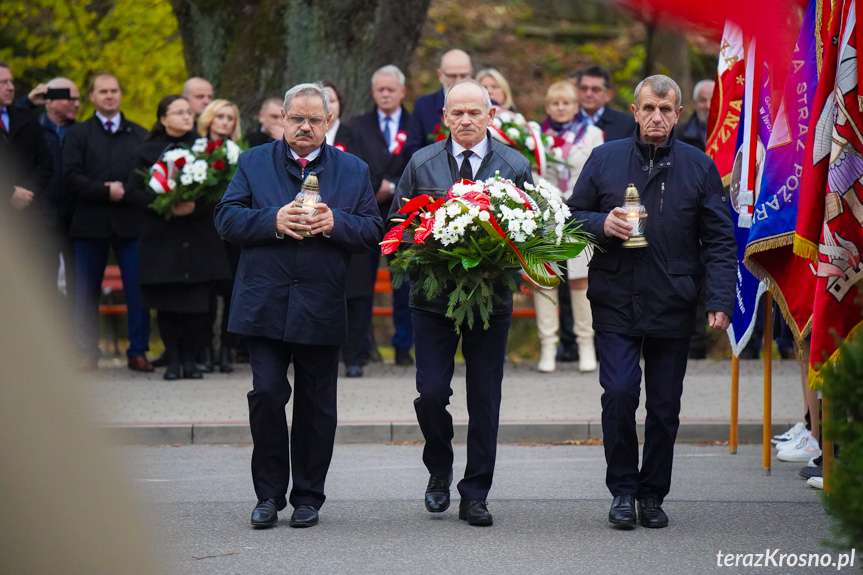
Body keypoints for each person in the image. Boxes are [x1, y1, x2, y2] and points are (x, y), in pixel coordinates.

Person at [567, 74, 736, 529]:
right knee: (619, 394)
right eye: (648, 109)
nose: (656, 117)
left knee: (664, 407)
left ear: (678, 114)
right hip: (616, 299)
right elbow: (572, 217)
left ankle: (652, 493)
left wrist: (719, 297)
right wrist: (603, 223)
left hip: (673, 301)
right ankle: (623, 490)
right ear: (635, 111)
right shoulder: (604, 159)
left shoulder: (699, 167)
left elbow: (719, 241)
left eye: (665, 110)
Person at [214, 82, 382, 529]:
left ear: (328, 122)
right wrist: (271, 219)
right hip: (263, 302)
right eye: (296, 118)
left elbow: (372, 232)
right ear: (281, 119)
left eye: (314, 119)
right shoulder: (252, 161)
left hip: (322, 303)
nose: (305, 127)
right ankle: (268, 495)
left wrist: (335, 222)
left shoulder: (353, 169)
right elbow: (226, 218)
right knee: (267, 394)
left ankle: (308, 496)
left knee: (316, 404)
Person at [389, 79, 532, 527]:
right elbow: (398, 226)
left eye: (475, 112)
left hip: (491, 300)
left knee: (484, 398)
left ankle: (475, 492)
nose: (466, 120)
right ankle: (439, 468)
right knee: (431, 393)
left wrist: (495, 260)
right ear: (445, 118)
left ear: (491, 115)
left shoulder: (513, 164)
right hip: (433, 300)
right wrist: (430, 246)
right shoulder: (421, 162)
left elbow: (531, 232)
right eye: (457, 113)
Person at [125, 95, 231, 380]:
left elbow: (220, 191)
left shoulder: (202, 148)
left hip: (197, 238)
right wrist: (165, 204)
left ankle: (191, 360)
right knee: (168, 304)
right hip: (163, 238)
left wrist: (195, 206)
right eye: (179, 112)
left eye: (189, 112)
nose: (187, 117)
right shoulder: (147, 151)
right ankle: (173, 361)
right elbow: (132, 192)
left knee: (197, 305)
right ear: (163, 119)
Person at [63, 73, 151, 372]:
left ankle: (138, 351)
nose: (109, 95)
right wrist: (104, 191)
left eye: (114, 90)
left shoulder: (140, 134)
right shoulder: (78, 134)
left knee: (137, 289)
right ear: (92, 96)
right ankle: (87, 351)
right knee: (85, 290)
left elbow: (147, 177)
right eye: (103, 91)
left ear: (121, 94)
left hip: (131, 223)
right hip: (89, 224)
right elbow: (71, 176)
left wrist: (127, 191)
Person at [349, 65, 415, 370]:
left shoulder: (416, 125)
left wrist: (392, 185)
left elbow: (421, 163)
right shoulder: (357, 126)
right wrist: (378, 186)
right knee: (361, 284)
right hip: (367, 212)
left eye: (391, 89)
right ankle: (358, 350)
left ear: (402, 91)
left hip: (405, 214)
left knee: (405, 284)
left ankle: (404, 348)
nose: (386, 94)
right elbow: (354, 163)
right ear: (373, 92)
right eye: (380, 89)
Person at [535, 81, 604, 373]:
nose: (560, 108)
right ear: (547, 107)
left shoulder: (592, 135)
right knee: (545, 278)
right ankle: (547, 347)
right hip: (545, 214)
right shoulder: (536, 136)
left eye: (566, 103)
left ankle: (586, 345)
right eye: (554, 103)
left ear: (577, 106)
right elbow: (532, 172)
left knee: (580, 277)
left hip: (580, 212)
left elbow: (599, 173)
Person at [14, 78, 81, 306]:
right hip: (42, 221)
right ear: (49, 101)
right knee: (43, 286)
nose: (76, 104)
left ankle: (79, 341)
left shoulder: (82, 133)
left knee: (79, 288)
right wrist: (28, 101)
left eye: (79, 99)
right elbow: (9, 124)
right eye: (68, 97)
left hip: (76, 223)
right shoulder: (32, 128)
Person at [196, 98, 243, 374]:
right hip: (203, 230)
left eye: (230, 118)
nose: (224, 122)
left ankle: (227, 349)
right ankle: (205, 349)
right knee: (206, 294)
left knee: (232, 292)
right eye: (220, 117)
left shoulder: (241, 153)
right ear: (209, 119)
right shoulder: (196, 150)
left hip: (233, 233)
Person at [0, 63, 55, 290]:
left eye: (11, 81)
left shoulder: (26, 118)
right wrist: (9, 193)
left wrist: (27, 192)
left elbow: (45, 164)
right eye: (3, 83)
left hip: (28, 219)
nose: (10, 87)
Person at [403, 49, 473, 158]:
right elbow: (412, 148)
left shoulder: (488, 104)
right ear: (440, 75)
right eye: (452, 76)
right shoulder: (423, 106)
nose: (458, 81)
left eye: (463, 75)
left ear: (471, 73)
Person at [570, 65, 636, 142]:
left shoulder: (627, 124)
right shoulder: (564, 119)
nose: (588, 94)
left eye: (595, 89)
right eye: (584, 88)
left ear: (608, 95)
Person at [679, 79, 715, 152]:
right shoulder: (680, 136)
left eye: (713, 100)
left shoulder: (734, 134)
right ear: (694, 103)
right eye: (702, 100)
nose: (708, 106)